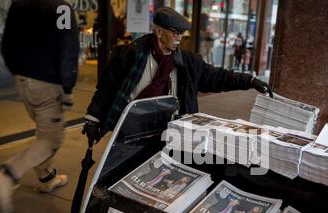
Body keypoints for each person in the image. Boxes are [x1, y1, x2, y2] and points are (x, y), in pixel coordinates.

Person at [82, 7, 272, 144]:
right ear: (158, 31)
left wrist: (250, 81)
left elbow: (217, 76)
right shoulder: (130, 54)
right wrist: (93, 118)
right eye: (176, 32)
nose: (180, 37)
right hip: (130, 129)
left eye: (183, 33)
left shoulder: (188, 62)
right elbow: (106, 87)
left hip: (169, 130)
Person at [0, 0, 79, 213]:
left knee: (44, 131)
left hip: (23, 82)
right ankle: (8, 176)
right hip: (47, 85)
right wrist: (67, 89)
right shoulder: (61, 9)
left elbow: (6, 45)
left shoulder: (19, 4)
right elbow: (68, 50)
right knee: (51, 139)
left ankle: (47, 177)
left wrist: (20, 72)